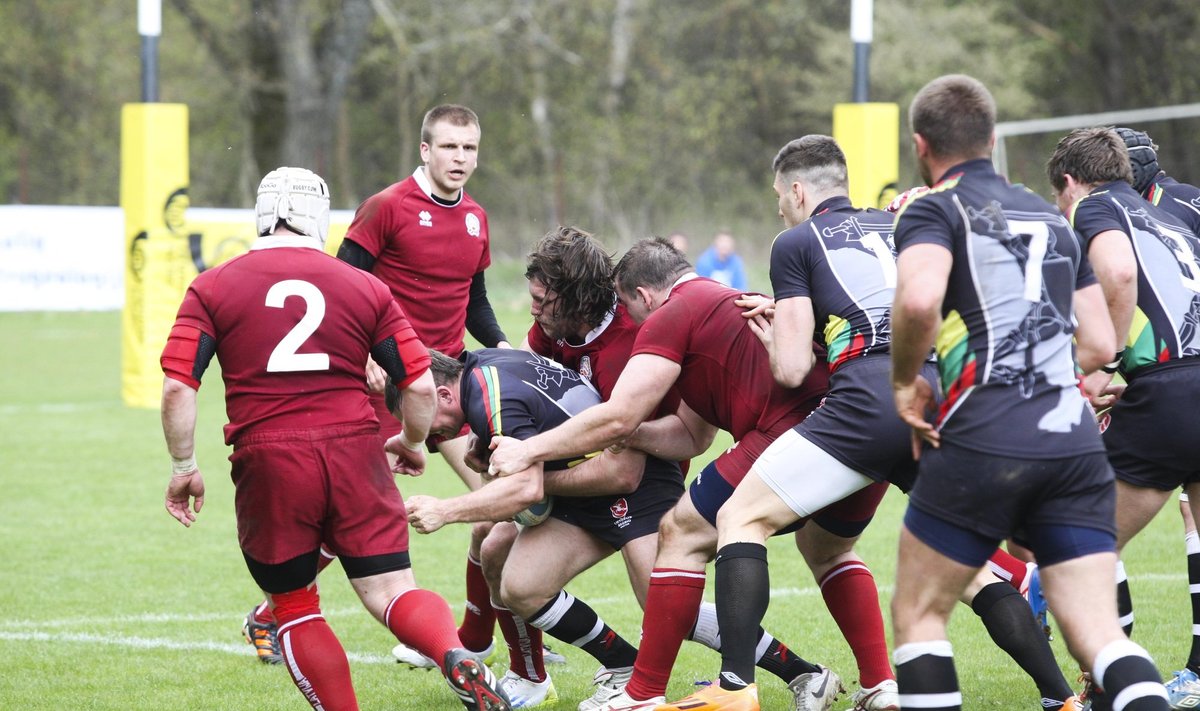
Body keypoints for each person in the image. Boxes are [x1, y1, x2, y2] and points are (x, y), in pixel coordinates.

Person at [708, 135, 1082, 711]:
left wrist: (776, 333)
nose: (779, 207)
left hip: (866, 403)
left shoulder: (795, 242)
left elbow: (791, 370)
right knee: (974, 569)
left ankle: (734, 690)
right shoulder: (904, 225)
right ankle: (1060, 699)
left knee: (739, 516)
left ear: (799, 190)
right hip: (937, 402)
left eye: (779, 196)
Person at [404, 227, 837, 711]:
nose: (533, 310)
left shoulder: (636, 338)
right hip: (585, 476)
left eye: (543, 300)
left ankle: (803, 673)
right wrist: (497, 447)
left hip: (642, 483)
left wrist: (529, 478)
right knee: (506, 562)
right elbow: (527, 401)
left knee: (668, 607)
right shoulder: (549, 333)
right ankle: (598, 667)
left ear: (575, 300)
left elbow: (625, 469)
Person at [489, 238, 898, 711]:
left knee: (683, 546)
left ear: (640, 297)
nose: (534, 311)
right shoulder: (692, 308)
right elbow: (690, 431)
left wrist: (532, 461)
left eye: (543, 301)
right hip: (859, 420)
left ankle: (681, 692)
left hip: (707, 460)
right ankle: (879, 685)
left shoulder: (661, 320)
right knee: (831, 550)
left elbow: (634, 435)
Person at [159, 167, 509, 711]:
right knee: (393, 590)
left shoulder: (212, 285)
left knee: (296, 606)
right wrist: (413, 443)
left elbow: (178, 389)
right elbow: (418, 384)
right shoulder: (366, 286)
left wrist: (184, 466)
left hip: (270, 458)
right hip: (355, 450)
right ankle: (452, 652)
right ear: (320, 218)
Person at [887, 74, 1168, 711]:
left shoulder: (933, 208)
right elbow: (1099, 342)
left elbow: (921, 298)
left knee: (920, 616)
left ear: (920, 145)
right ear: (992, 139)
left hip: (982, 433)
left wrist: (906, 384)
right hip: (1071, 440)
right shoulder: (1049, 214)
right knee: (1098, 635)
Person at [241, 104, 516, 668]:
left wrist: (504, 347)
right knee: (365, 518)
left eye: (469, 148)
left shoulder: (477, 218)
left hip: (449, 392)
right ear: (425, 150)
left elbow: (476, 300)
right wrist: (366, 351)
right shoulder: (387, 207)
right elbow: (344, 282)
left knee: (495, 508)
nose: (460, 158)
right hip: (387, 387)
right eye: (449, 147)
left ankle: (473, 640)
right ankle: (272, 610)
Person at [1048, 126, 1200, 709]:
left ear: (1069, 183)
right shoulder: (1169, 216)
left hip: (1171, 395)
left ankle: (1109, 688)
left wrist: (1101, 360)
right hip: (1182, 384)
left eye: (1060, 200)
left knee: (1076, 542)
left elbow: (1114, 273)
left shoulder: (1095, 206)